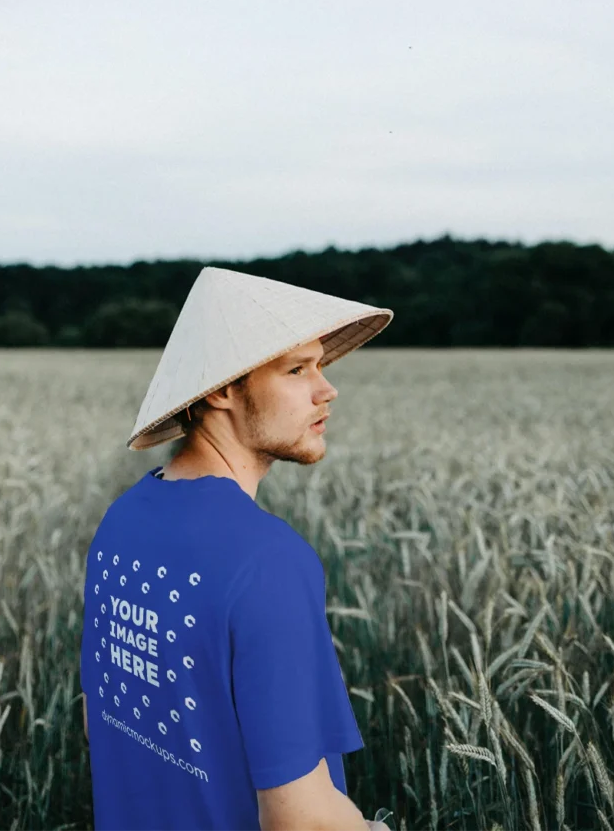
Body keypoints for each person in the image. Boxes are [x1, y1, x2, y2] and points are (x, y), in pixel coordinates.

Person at [80, 266, 394, 830]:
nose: (328, 389)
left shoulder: (120, 522)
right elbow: (303, 820)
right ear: (222, 388)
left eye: (321, 365)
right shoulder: (267, 559)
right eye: (297, 369)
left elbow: (106, 722)